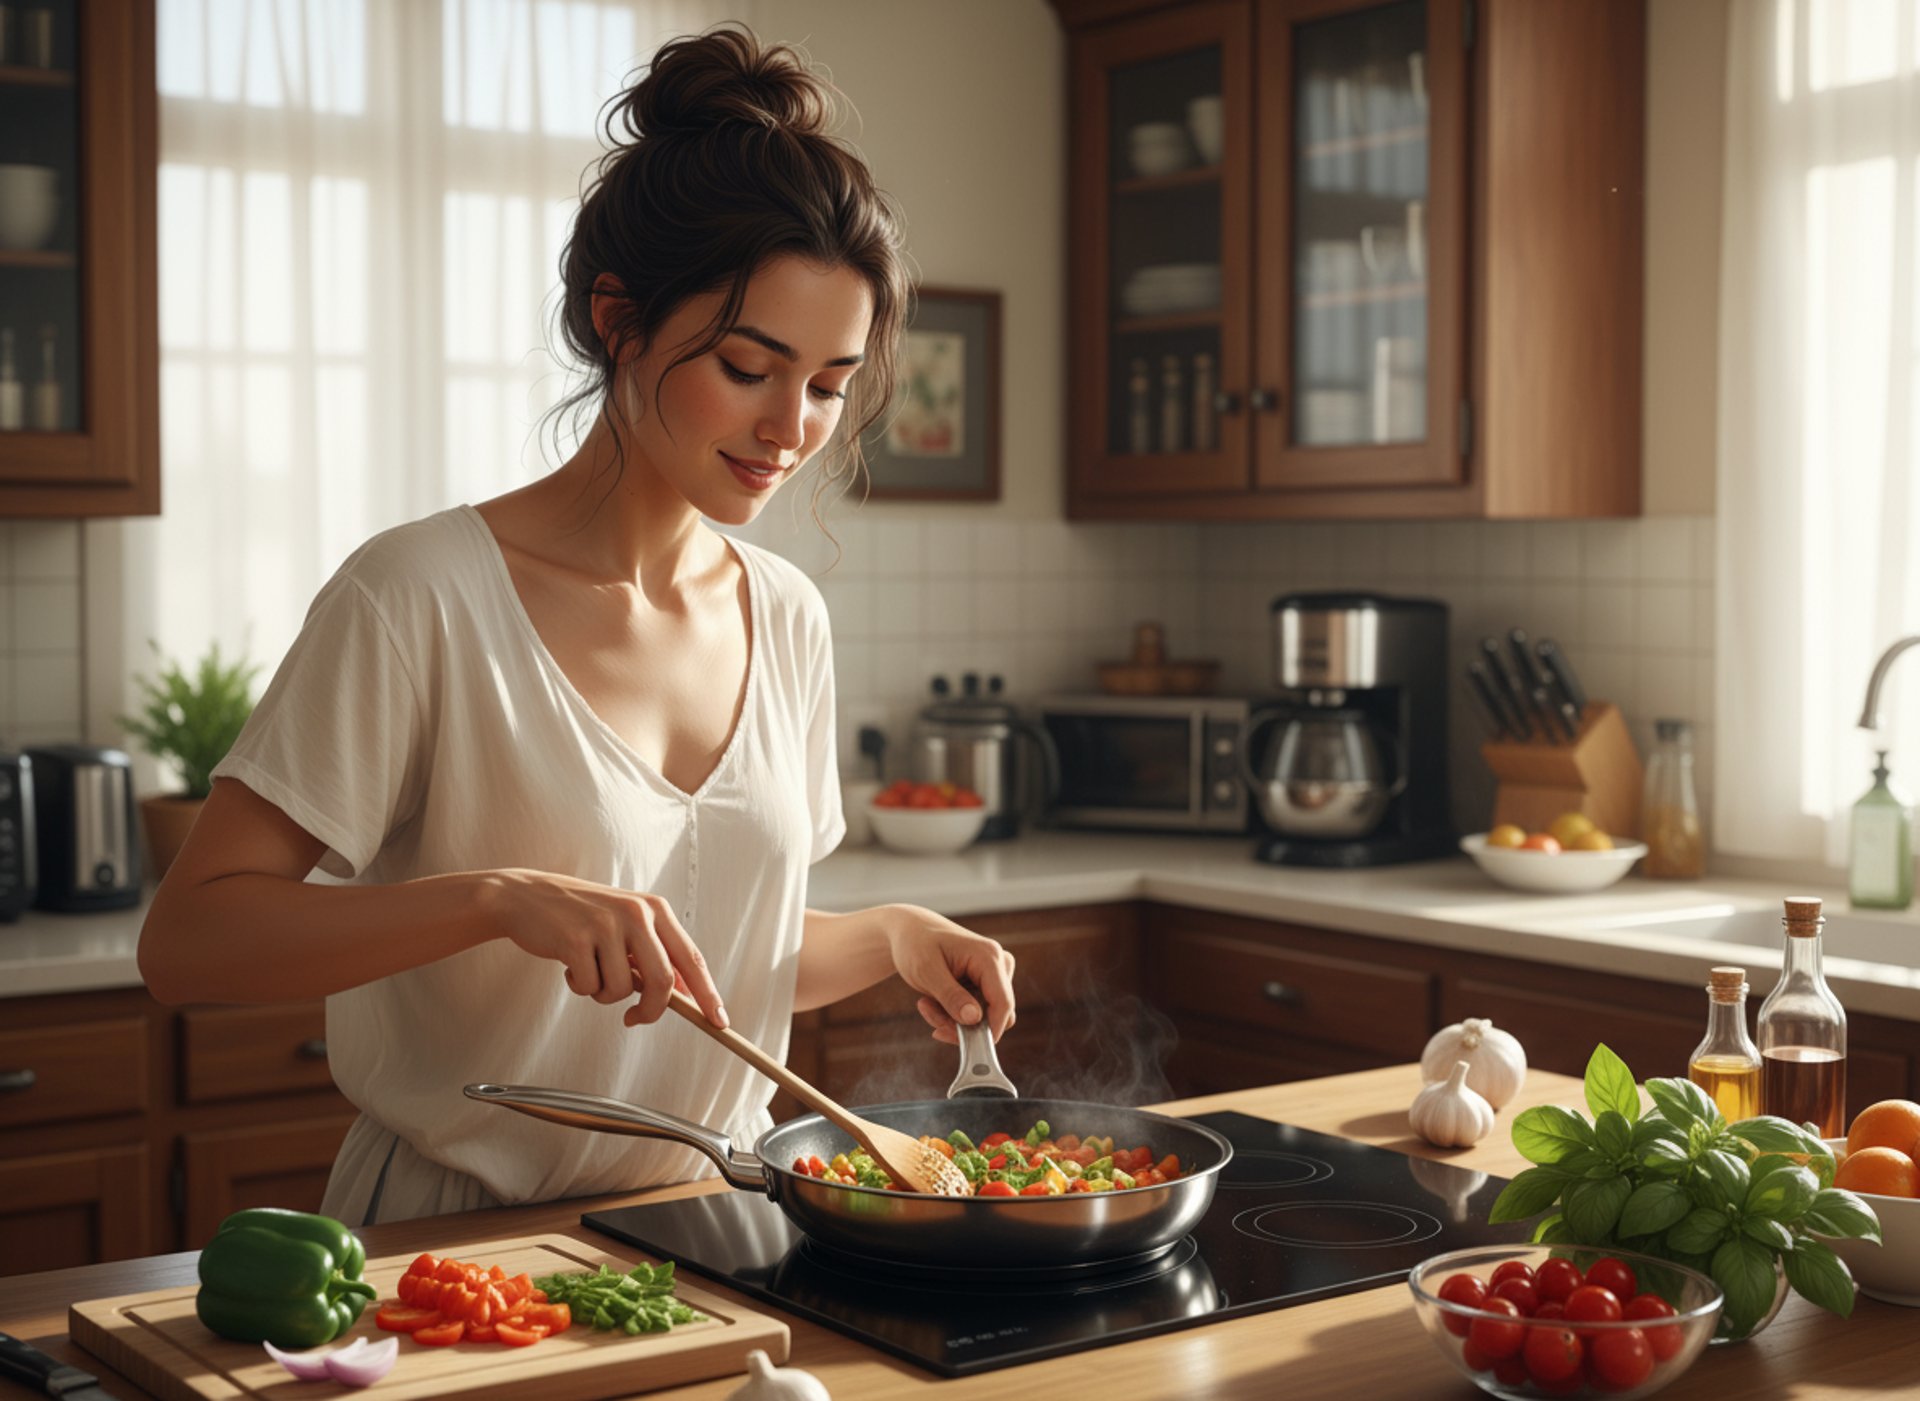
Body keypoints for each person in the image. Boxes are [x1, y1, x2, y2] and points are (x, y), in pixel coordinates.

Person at [136, 26, 1017, 1227]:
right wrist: (495, 898)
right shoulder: (418, 595)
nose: (791, 427)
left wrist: (891, 936)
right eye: (751, 367)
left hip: (728, 1226)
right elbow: (189, 943)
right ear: (620, 320)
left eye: (826, 385)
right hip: (456, 1240)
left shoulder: (788, 617)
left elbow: (716, 962)